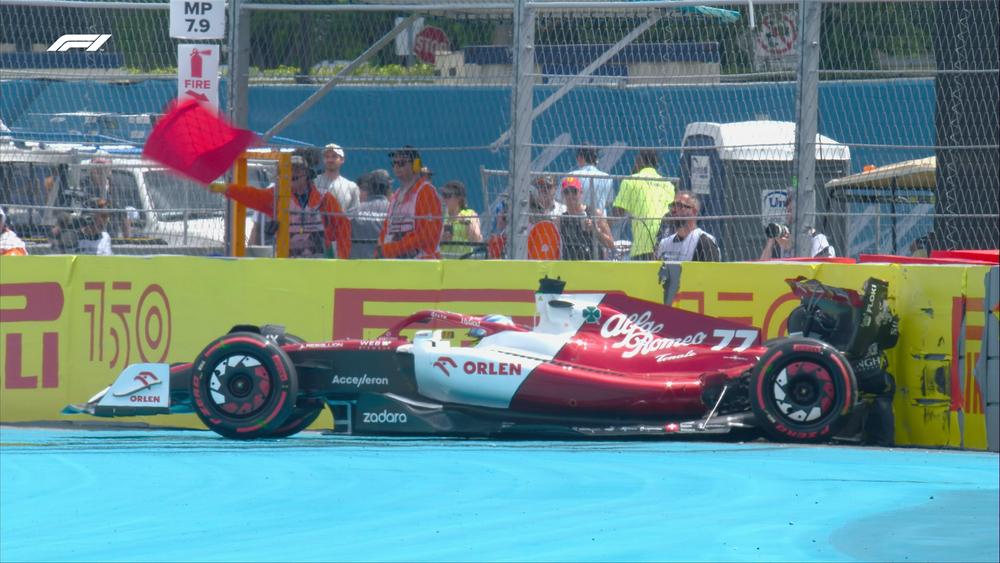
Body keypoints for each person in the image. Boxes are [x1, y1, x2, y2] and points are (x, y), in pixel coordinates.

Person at [209, 155, 350, 258]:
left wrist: (343, 259)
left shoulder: (324, 198)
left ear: (307, 173)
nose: (294, 173)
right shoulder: (276, 196)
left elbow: (342, 226)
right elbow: (252, 195)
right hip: (286, 260)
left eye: (299, 169)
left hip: (320, 260)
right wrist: (227, 188)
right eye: (290, 169)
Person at [378, 145, 443, 259]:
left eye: (402, 163)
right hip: (397, 262)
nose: (396, 166)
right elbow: (386, 228)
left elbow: (426, 235)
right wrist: (379, 251)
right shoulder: (397, 194)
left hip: (422, 263)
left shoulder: (426, 191)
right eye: (394, 163)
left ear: (416, 165)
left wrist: (394, 249)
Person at [612, 150, 675, 261]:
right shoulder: (668, 184)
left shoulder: (631, 181)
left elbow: (617, 213)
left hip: (642, 246)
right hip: (665, 242)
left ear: (640, 161)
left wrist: (601, 228)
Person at [759, 193, 836, 259]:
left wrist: (791, 246)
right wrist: (772, 240)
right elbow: (761, 266)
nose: (791, 215)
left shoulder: (818, 239)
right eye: (788, 211)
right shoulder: (783, 241)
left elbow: (816, 268)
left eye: (794, 211)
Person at [557, 177, 614, 261]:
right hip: (570, 266)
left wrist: (596, 230)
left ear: (581, 193)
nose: (570, 195)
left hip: (592, 265)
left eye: (574, 191)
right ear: (563, 194)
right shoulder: (561, 219)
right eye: (567, 192)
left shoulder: (595, 214)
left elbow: (611, 245)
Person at [655, 191, 720, 262]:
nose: (673, 210)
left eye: (679, 205)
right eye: (673, 205)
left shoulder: (704, 242)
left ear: (694, 211)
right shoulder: (665, 243)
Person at [82, 158, 132, 239]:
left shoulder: (114, 185)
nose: (100, 172)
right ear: (91, 170)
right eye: (97, 169)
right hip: (87, 235)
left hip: (110, 234)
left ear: (109, 171)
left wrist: (128, 241)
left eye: (104, 169)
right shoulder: (84, 184)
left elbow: (121, 212)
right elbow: (80, 206)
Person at [349, 170, 392, 259]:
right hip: (387, 265)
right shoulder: (394, 211)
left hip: (358, 265)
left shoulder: (354, 212)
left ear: (369, 188)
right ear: (388, 189)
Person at [49, 198, 114, 255]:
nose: (104, 221)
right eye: (102, 216)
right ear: (89, 217)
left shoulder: (105, 237)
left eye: (106, 217)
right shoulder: (73, 237)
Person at [567, 143, 615, 214]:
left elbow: (561, 199)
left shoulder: (571, 176)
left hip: (576, 220)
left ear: (580, 158)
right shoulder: (607, 178)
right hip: (599, 220)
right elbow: (607, 202)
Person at [440, 180, 482, 259]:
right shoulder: (438, 215)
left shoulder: (470, 214)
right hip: (443, 261)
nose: (443, 198)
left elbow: (476, 242)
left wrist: (466, 221)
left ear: (458, 199)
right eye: (443, 195)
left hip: (463, 263)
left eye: (447, 196)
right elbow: (427, 243)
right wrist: (441, 240)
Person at [314, 144, 360, 212]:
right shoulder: (313, 182)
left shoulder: (351, 187)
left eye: (334, 157)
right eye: (327, 157)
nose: (330, 160)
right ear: (323, 160)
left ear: (342, 160)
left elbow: (354, 215)